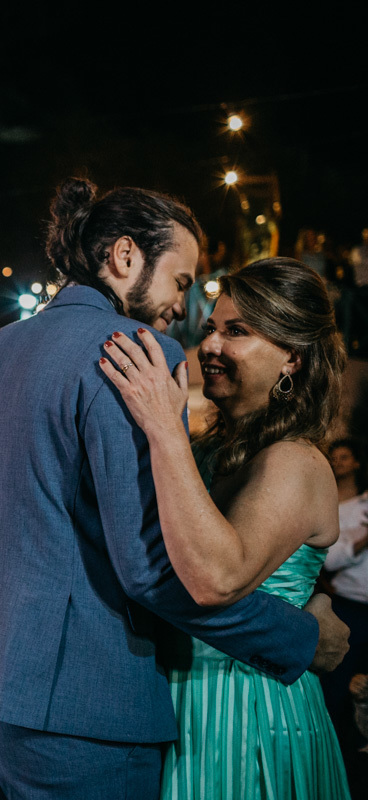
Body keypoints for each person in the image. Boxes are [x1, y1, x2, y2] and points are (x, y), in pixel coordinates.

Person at [0, 178, 350, 798]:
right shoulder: (132, 353)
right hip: (80, 702)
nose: (184, 311)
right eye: (181, 283)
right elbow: (152, 570)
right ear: (126, 257)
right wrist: (302, 637)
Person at [102, 258, 351, 797]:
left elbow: (216, 577)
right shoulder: (210, 451)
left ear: (293, 359)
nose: (210, 345)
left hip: (249, 712)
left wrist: (164, 427)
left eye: (237, 332)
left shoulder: (295, 461)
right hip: (179, 696)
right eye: (211, 328)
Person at [323, 435, 368, 789]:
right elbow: (330, 557)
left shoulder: (365, 502)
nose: (337, 461)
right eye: (333, 457)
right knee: (338, 692)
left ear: (356, 462)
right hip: (345, 606)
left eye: (344, 456)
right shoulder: (324, 506)